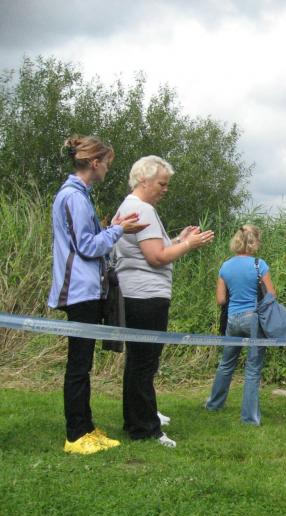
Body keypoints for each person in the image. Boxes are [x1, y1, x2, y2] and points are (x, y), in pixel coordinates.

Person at [48, 135, 144, 455]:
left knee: (83, 363)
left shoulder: (79, 196)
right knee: (78, 365)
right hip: (79, 291)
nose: (107, 169)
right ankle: (76, 435)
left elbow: (88, 239)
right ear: (94, 162)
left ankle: (86, 427)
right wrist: (119, 230)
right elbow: (87, 247)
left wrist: (112, 227)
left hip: (86, 290)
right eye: (106, 163)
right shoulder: (73, 197)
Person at [114, 155, 215, 447]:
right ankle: (146, 428)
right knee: (145, 363)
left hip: (137, 294)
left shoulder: (130, 206)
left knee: (138, 361)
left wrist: (177, 240)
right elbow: (156, 257)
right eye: (162, 183)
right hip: (146, 296)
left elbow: (155, 247)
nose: (165, 189)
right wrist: (188, 244)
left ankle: (137, 419)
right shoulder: (142, 209)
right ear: (143, 180)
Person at [205, 225, 274, 424]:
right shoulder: (259, 265)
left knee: (226, 363)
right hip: (253, 319)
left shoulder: (225, 266)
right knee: (252, 369)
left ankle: (214, 404)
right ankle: (250, 418)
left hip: (232, 318)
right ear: (254, 242)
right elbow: (271, 295)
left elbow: (220, 300)